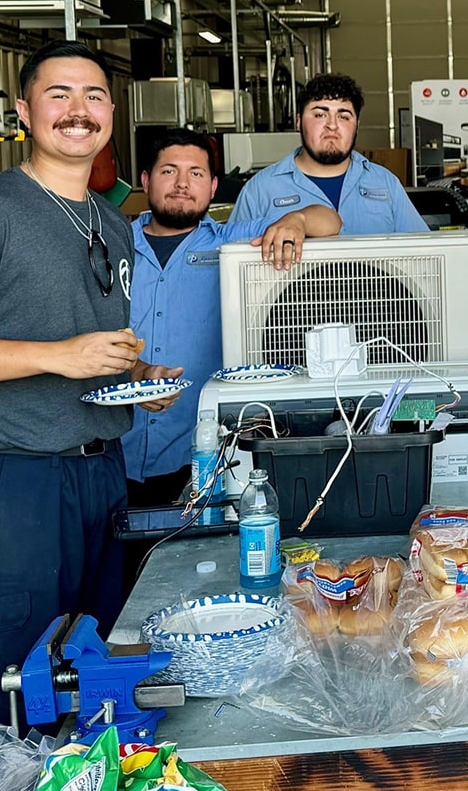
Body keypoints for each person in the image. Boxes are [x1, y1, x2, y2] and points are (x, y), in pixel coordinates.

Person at [0, 40, 180, 726]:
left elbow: (88, 347)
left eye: (93, 96)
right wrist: (59, 357)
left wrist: (139, 376)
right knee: (15, 686)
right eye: (59, 95)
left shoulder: (111, 224)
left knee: (96, 676)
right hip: (15, 484)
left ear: (111, 113)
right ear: (24, 112)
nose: (78, 110)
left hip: (101, 478)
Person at [123, 129, 341, 513]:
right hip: (114, 454)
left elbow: (330, 221)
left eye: (195, 174)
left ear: (212, 187)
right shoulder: (113, 244)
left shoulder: (237, 242)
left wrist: (296, 219)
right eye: (169, 171)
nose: (182, 184)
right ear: (145, 180)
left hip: (202, 456)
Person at [233, 73, 428, 234]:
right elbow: (231, 262)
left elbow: (425, 252)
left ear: (357, 125)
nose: (332, 125)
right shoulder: (259, 191)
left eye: (343, 116)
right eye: (320, 115)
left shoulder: (386, 184)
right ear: (299, 122)